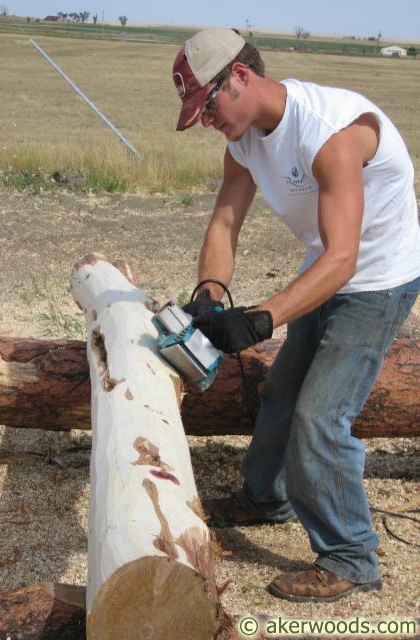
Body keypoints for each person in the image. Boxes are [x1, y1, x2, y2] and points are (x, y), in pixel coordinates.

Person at [172, 28, 420, 603]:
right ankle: (265, 499)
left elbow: (345, 258)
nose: (206, 120)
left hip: (378, 277)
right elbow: (224, 225)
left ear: (240, 75)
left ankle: (351, 556)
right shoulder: (244, 141)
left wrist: (260, 319)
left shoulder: (330, 131)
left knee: (320, 417)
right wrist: (209, 292)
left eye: (207, 105)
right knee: (282, 391)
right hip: (328, 267)